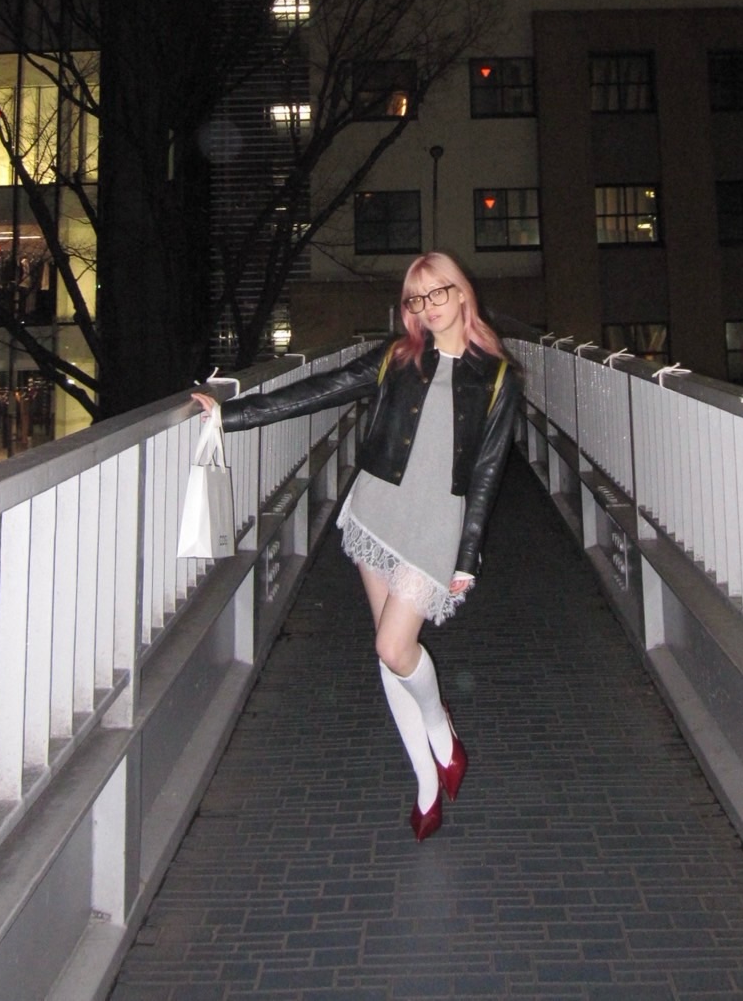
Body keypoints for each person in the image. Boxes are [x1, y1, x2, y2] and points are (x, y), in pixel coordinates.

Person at [192, 252, 520, 840]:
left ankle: (441, 730)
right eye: (416, 298)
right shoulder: (398, 358)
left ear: (461, 293)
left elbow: (488, 473)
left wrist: (468, 555)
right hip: (377, 511)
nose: (428, 307)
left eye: (438, 293)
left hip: (435, 525)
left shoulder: (496, 376)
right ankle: (426, 783)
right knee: (386, 653)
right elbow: (320, 390)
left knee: (395, 646)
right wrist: (230, 415)